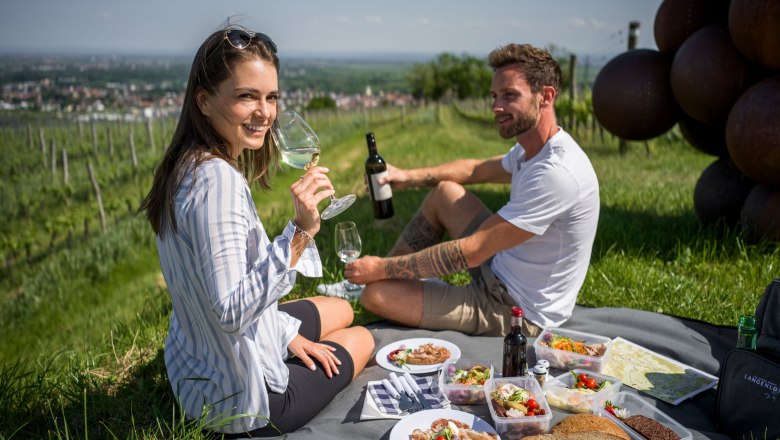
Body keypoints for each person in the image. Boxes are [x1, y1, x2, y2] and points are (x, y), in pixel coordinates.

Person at [139, 25, 373, 437]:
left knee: (341, 309)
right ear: (205, 101)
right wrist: (301, 231)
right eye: (247, 96)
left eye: (272, 97)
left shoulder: (187, 163)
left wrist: (284, 336)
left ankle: (282, 339)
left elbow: (223, 298)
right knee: (361, 339)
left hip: (198, 364)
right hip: (242, 400)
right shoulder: (217, 183)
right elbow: (230, 311)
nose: (265, 112)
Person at [340, 43, 600, 337]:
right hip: (503, 266)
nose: (496, 107)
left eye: (510, 95)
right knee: (445, 193)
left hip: (515, 308)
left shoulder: (557, 174)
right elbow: (476, 170)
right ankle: (400, 280)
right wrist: (406, 176)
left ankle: (390, 279)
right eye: (495, 96)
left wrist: (382, 269)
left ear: (546, 96)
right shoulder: (534, 149)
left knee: (375, 296)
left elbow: (473, 251)